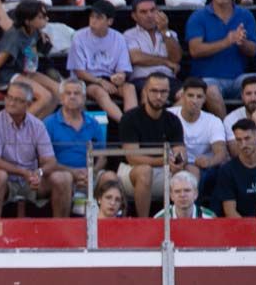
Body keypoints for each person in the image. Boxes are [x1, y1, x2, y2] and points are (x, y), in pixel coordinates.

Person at [0, 80, 72, 218]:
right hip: (3, 180)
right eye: (9, 98)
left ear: (28, 104)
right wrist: (23, 172)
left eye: (17, 100)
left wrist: (39, 173)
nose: (11, 103)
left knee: (63, 178)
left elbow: (50, 161)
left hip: (30, 180)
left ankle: (61, 229)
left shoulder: (38, 126)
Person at [187, 0, 256, 118]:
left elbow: (253, 51)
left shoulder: (245, 15)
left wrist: (241, 42)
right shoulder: (198, 17)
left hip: (238, 78)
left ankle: (255, 133)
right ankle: (226, 133)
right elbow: (195, 50)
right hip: (209, 78)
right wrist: (227, 41)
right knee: (210, 90)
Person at [118, 72, 187, 217]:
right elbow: (132, 157)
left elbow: (180, 151)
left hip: (163, 170)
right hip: (131, 172)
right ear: (145, 91)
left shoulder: (173, 120)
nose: (159, 96)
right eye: (154, 91)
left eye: (163, 92)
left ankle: (183, 220)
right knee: (145, 171)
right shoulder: (130, 118)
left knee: (192, 171)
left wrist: (179, 161)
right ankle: (144, 223)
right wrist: (164, 160)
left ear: (169, 93)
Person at [0, 0, 58, 117]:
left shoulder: (35, 30)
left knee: (57, 91)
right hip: (7, 75)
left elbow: (32, 52)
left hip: (24, 70)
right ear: (28, 21)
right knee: (45, 96)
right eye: (41, 17)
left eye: (45, 15)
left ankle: (36, 125)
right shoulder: (14, 38)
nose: (46, 19)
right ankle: (16, 128)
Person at [43, 79, 114, 204]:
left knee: (111, 178)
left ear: (84, 98)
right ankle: (62, 223)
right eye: (68, 93)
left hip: (90, 174)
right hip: (60, 174)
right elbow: (45, 161)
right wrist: (72, 173)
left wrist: (91, 173)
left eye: (77, 93)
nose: (72, 97)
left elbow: (102, 157)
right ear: (61, 98)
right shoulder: (49, 123)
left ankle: (112, 223)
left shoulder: (93, 123)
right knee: (63, 178)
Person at [67, 0, 137, 123]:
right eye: (92, 17)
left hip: (109, 79)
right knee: (99, 92)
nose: (93, 21)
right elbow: (79, 71)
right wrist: (99, 81)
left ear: (109, 21)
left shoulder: (118, 38)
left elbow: (122, 68)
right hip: (86, 80)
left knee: (129, 88)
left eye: (99, 18)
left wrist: (120, 76)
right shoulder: (79, 36)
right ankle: (126, 124)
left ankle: (133, 122)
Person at [167, 78, 227, 184]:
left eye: (199, 97)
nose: (194, 100)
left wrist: (209, 161)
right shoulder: (169, 116)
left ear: (204, 99)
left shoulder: (213, 121)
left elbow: (221, 152)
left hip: (203, 168)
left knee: (194, 171)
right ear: (183, 96)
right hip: (174, 164)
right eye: (190, 95)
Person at [124, 0, 180, 94]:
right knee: (149, 93)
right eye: (143, 12)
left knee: (185, 96)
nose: (149, 15)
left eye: (152, 10)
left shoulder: (170, 34)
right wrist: (165, 62)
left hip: (168, 79)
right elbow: (136, 58)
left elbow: (176, 58)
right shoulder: (129, 35)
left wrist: (164, 31)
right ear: (134, 16)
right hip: (142, 79)